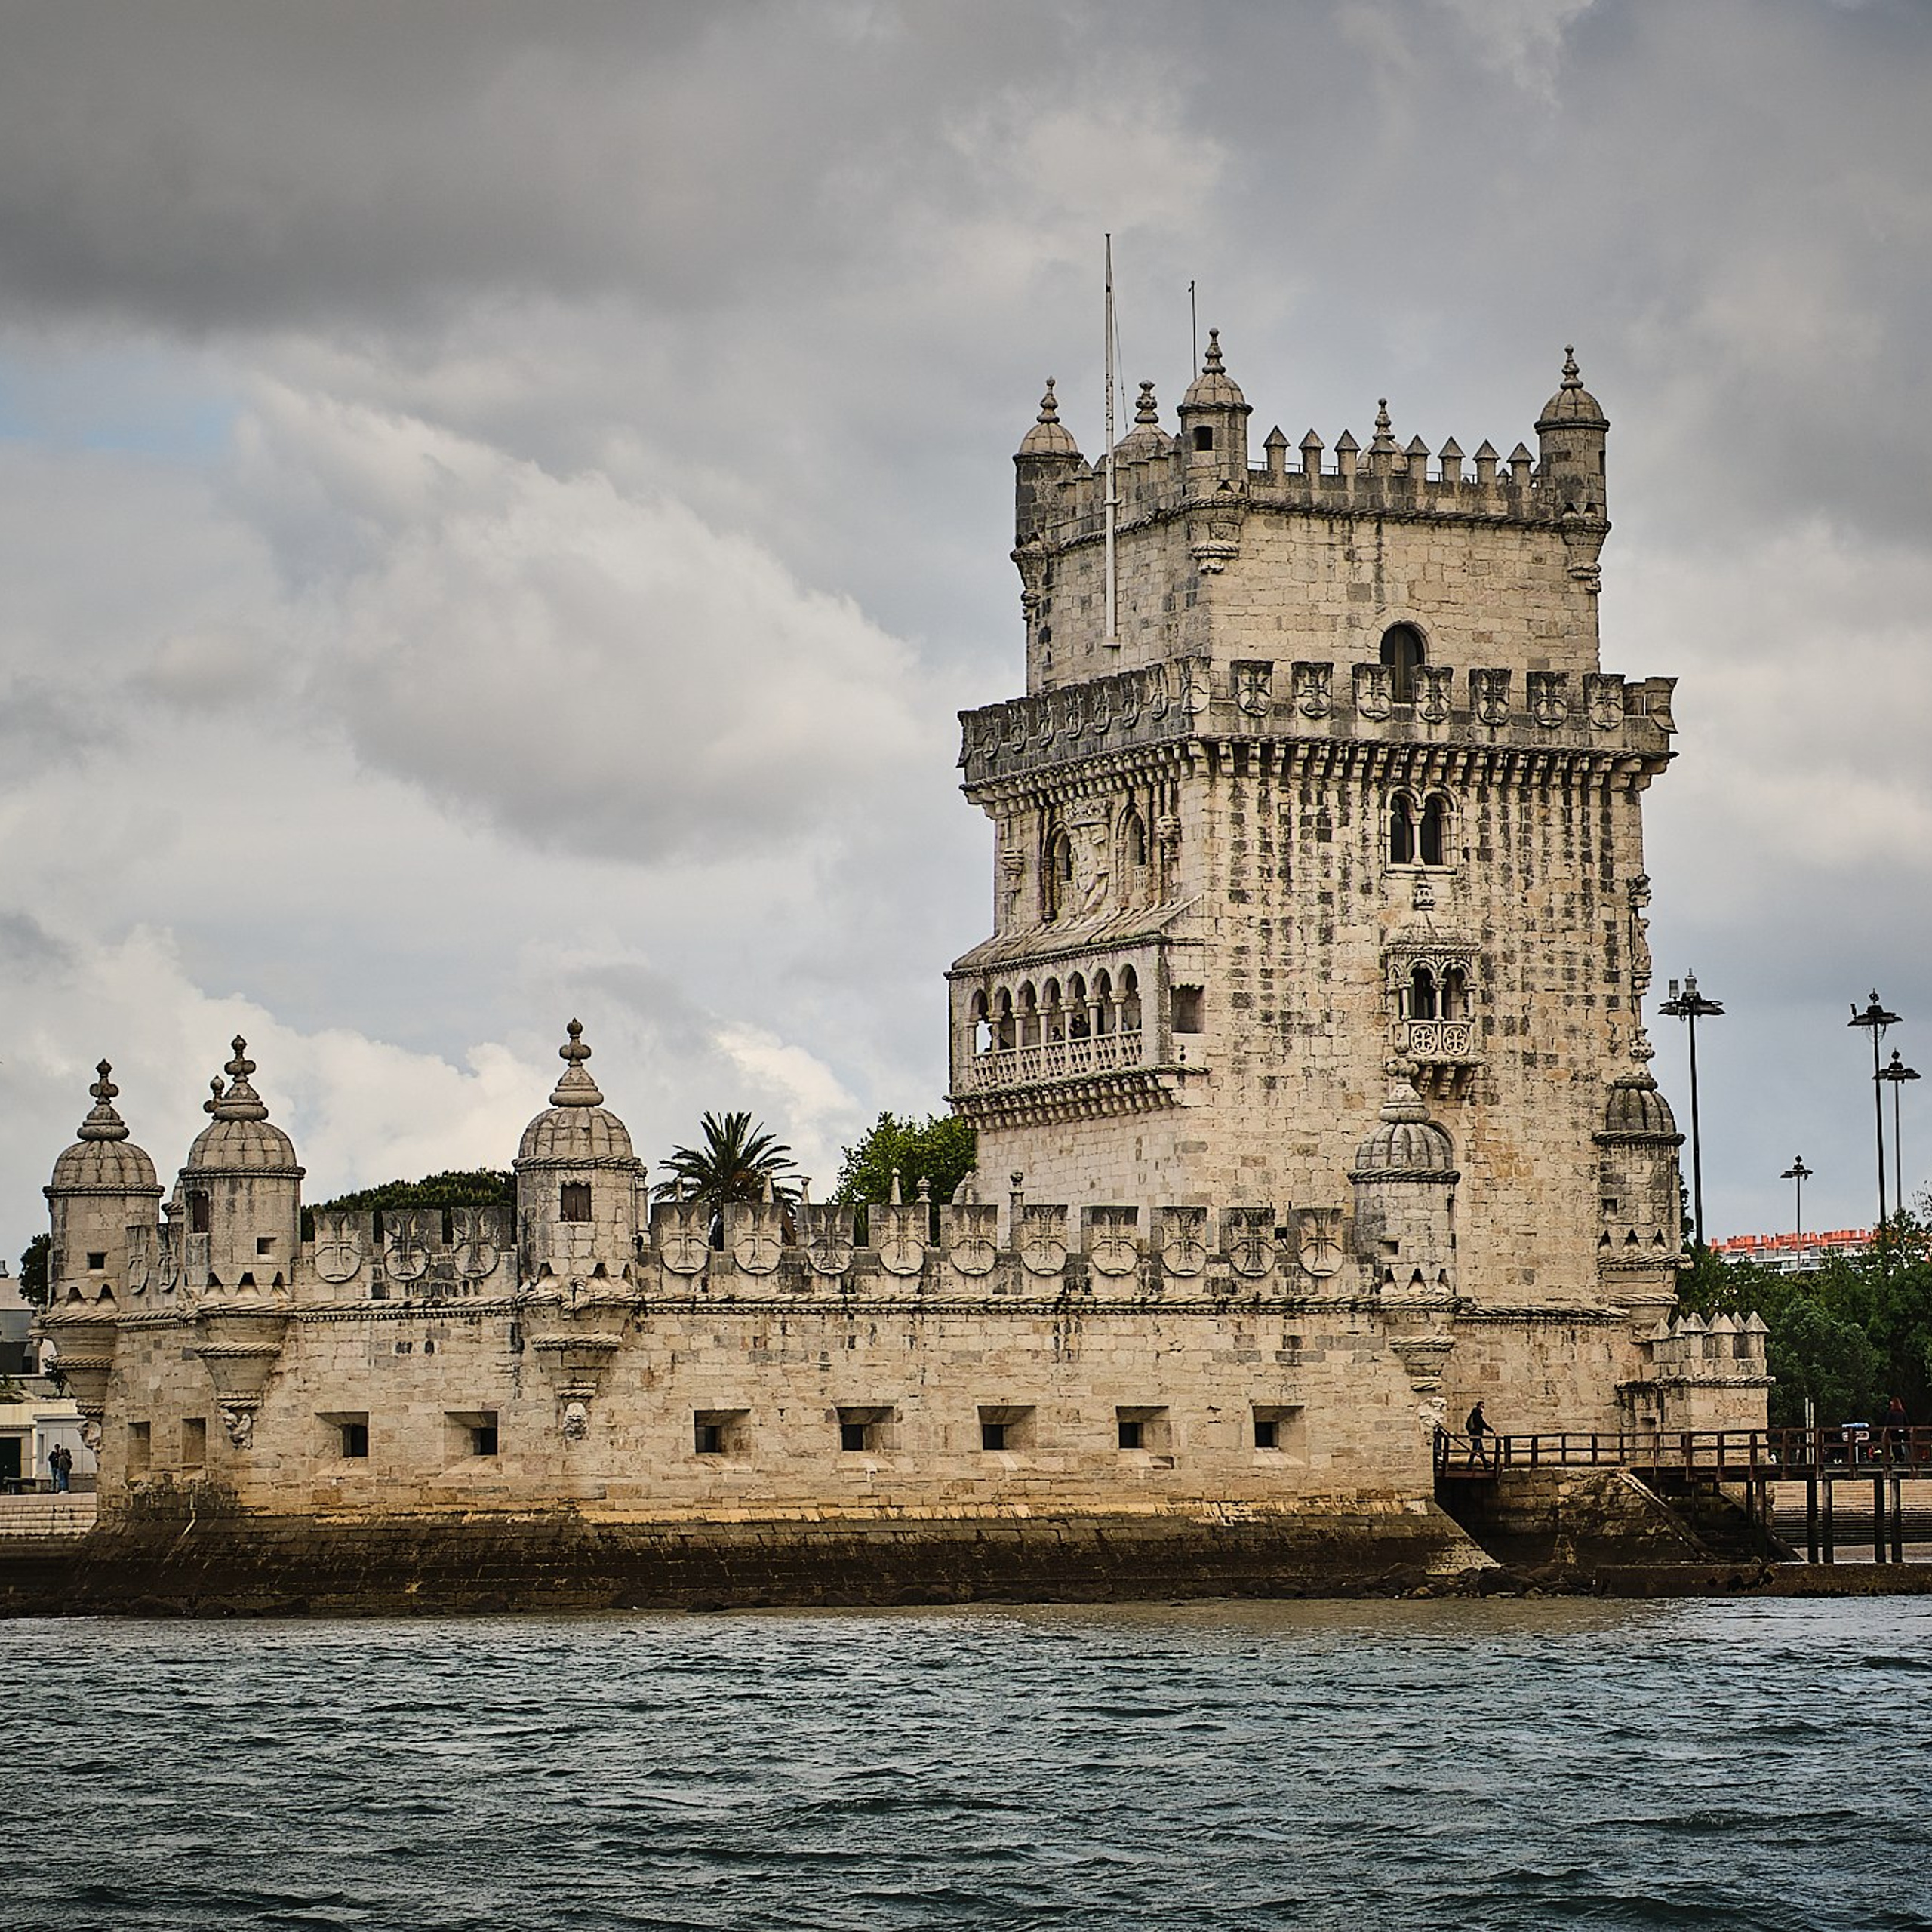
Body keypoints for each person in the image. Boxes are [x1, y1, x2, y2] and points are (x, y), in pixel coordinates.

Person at [1465, 1400, 1493, 1469]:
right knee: (1475, 1449)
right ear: (1479, 1406)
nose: (1483, 1408)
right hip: (1476, 1434)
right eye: (1482, 1407)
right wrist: (1491, 1430)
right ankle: (1470, 1464)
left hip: (1475, 1434)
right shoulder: (1477, 1414)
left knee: (1480, 1449)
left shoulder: (1474, 1414)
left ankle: (1485, 1463)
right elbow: (1482, 1424)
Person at [1884, 1395, 1910, 1461]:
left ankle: (1897, 1457)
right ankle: (1903, 1456)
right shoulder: (1902, 1412)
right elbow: (1906, 1422)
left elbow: (1887, 1422)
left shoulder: (1891, 1412)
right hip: (1902, 1430)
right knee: (1903, 1443)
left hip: (1894, 1431)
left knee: (1895, 1445)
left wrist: (1887, 1429)